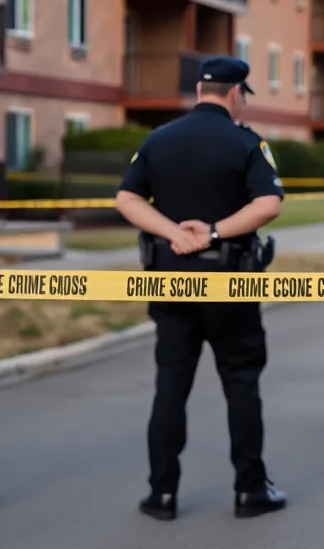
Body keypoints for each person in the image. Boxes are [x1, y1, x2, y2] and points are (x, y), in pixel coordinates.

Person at [114, 54, 288, 522]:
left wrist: (172, 233)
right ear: (236, 93)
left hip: (171, 281)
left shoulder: (159, 139)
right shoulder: (246, 142)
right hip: (229, 284)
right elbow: (268, 204)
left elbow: (126, 197)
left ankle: (161, 494)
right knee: (241, 384)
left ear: (198, 91)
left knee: (171, 385)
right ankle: (251, 492)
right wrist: (212, 232)